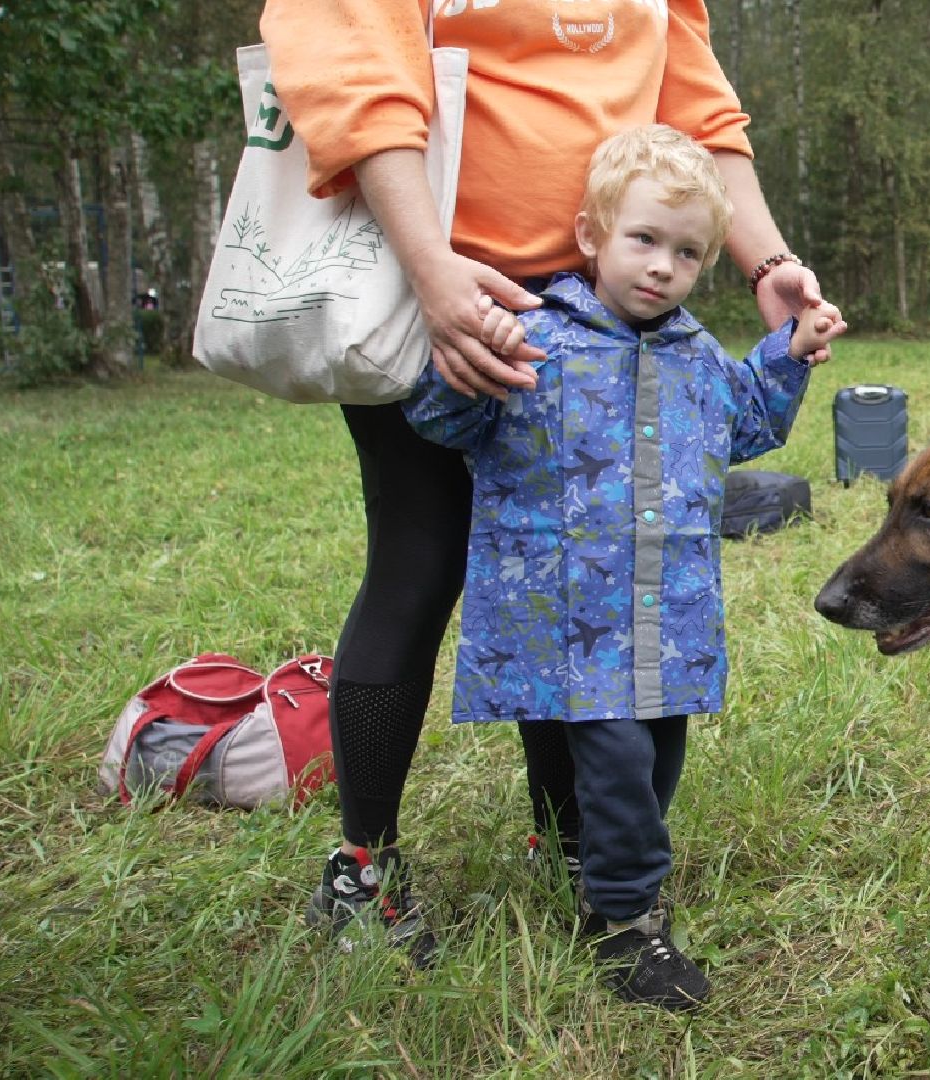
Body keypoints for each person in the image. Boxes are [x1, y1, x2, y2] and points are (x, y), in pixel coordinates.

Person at [260, 1, 833, 968]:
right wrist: (430, 271)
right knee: (422, 558)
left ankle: (569, 841)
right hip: (437, 280)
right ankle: (364, 867)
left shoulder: (682, 340)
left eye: (685, 256)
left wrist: (765, 265)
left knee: (577, 591)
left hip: (600, 283)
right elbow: (354, 72)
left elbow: (698, 107)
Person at [398, 124, 843, 1008]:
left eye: (686, 252)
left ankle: (584, 858)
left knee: (655, 757)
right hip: (569, 615)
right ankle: (625, 923)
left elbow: (743, 424)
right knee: (614, 759)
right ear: (593, 235)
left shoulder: (695, 355)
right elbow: (444, 426)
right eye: (643, 239)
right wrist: (463, 361)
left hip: (667, 610)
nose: (661, 267)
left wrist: (785, 357)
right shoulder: (536, 338)